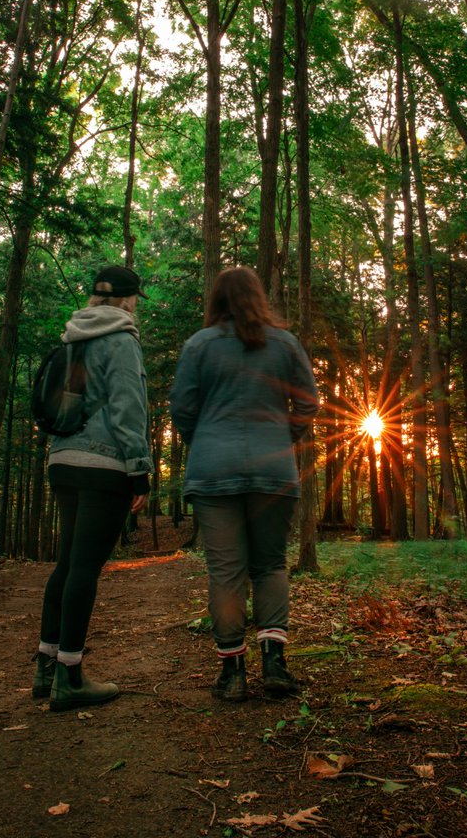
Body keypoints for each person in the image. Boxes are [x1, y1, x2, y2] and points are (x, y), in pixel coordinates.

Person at [170, 266, 318, 703]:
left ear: (216, 300)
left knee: (225, 571)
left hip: (213, 471)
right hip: (274, 470)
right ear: (259, 297)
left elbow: (182, 408)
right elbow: (308, 402)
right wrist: (283, 437)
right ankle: (274, 664)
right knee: (269, 564)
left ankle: (232, 673)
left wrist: (204, 441)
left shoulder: (199, 345)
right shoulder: (285, 344)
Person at [32, 264, 153, 713]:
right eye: (135, 298)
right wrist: (139, 470)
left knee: (67, 564)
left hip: (63, 459)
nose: (136, 305)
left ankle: (46, 668)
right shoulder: (121, 339)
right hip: (104, 465)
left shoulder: (73, 335)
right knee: (84, 568)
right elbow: (128, 406)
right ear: (127, 299)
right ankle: (70, 678)